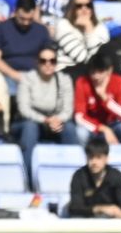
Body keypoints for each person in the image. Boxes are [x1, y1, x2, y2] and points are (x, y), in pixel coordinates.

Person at [13, 45, 76, 177]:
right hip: (29, 121)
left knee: (69, 128)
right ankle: (27, 176)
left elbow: (68, 110)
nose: (48, 64)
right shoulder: (27, 78)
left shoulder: (64, 80)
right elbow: (24, 109)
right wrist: (45, 120)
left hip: (55, 122)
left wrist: (56, 120)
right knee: (30, 127)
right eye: (43, 61)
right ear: (37, 62)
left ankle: (73, 175)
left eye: (52, 61)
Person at [0, 0, 53, 86]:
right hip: (7, 75)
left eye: (30, 19)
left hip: (35, 75)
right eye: (22, 19)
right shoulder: (1, 29)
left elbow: (48, 56)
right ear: (15, 11)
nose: (26, 23)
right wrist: (14, 75)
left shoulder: (41, 30)